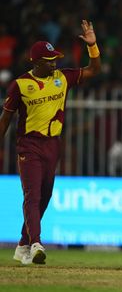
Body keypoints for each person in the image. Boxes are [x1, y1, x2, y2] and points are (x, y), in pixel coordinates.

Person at [0, 20, 101, 264]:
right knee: (32, 195)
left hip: (53, 144)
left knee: (44, 196)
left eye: (55, 57)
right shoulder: (21, 85)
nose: (54, 62)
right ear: (35, 62)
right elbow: (5, 120)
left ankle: (23, 244)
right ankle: (36, 244)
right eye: (49, 59)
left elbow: (94, 70)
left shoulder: (62, 78)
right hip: (29, 145)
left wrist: (93, 46)